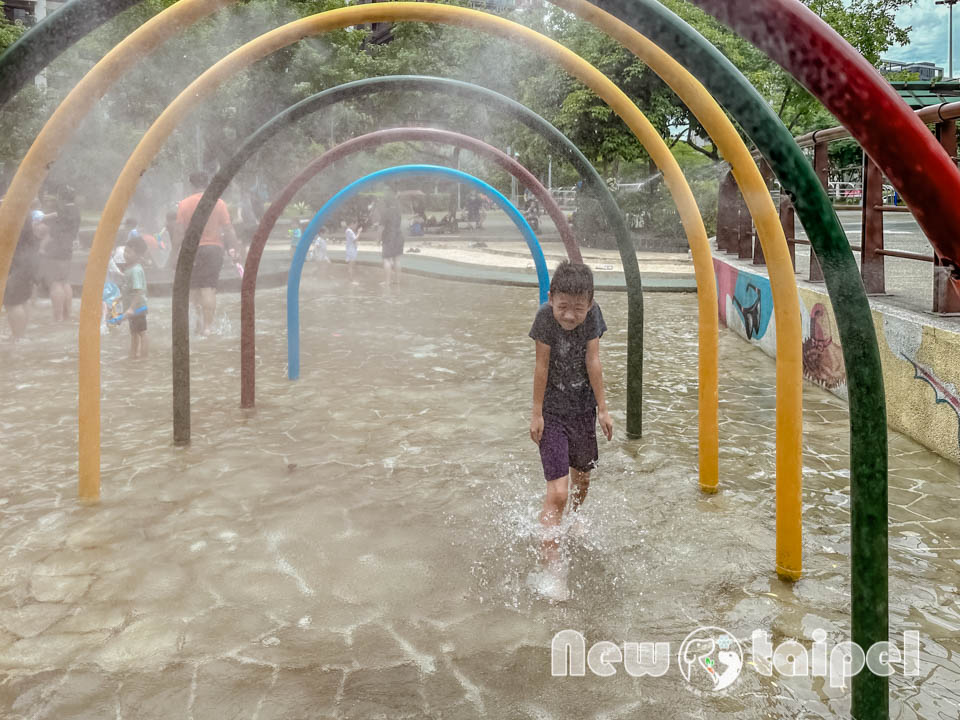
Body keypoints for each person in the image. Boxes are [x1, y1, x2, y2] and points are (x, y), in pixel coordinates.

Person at [528, 261, 614, 600]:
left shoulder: (592, 318)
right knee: (558, 492)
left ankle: (574, 520)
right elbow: (541, 365)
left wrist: (603, 410)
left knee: (582, 478)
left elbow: (593, 361)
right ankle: (553, 572)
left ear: (590, 304)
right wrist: (536, 414)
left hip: (583, 411)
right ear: (551, 299)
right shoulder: (544, 319)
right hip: (552, 414)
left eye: (578, 308)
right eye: (563, 306)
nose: (569, 315)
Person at [174, 171, 241, 337]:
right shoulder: (218, 203)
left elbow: (179, 233)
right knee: (209, 288)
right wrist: (235, 247)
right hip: (213, 249)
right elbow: (228, 228)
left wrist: (177, 254)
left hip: (192, 250)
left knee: (194, 289)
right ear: (208, 184)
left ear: (191, 184)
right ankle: (207, 328)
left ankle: (197, 325)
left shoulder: (183, 204)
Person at [39, 186, 80, 322]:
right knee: (65, 281)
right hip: (67, 249)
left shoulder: (62, 211)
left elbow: (52, 232)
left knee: (55, 283)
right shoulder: (75, 210)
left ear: (61, 197)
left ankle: (58, 318)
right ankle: (67, 316)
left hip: (56, 250)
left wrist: (43, 247)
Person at [3, 221, 40, 341]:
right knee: (23, 299)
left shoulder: (10, 209)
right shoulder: (24, 211)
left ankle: (17, 337)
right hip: (26, 260)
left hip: (14, 262)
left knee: (12, 303)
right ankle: (21, 335)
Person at [122, 235, 149, 359]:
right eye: (125, 251)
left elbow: (139, 290)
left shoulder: (136, 270)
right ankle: (133, 355)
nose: (125, 254)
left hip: (138, 308)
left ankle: (143, 357)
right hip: (132, 308)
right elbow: (129, 289)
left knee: (142, 333)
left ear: (138, 255)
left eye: (129, 252)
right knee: (133, 333)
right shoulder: (130, 269)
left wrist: (132, 308)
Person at [379, 194, 404, 285]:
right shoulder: (398, 211)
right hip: (399, 236)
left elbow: (381, 228)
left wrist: (378, 239)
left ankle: (387, 282)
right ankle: (397, 281)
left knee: (387, 259)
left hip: (388, 237)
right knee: (397, 259)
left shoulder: (385, 212)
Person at [345, 219, 361, 284]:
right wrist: (359, 232)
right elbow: (355, 240)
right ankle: (351, 281)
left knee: (351, 266)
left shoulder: (349, 231)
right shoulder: (349, 231)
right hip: (351, 250)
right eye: (355, 225)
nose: (356, 226)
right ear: (352, 224)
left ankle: (351, 279)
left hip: (351, 250)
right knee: (351, 266)